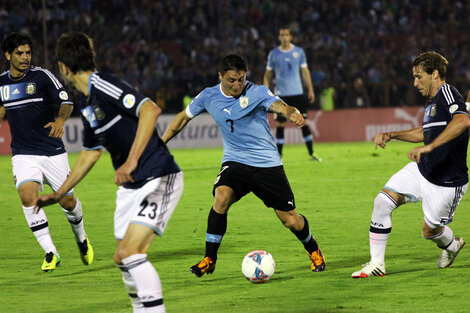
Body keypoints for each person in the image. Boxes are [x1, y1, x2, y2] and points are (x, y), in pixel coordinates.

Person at [36, 32, 183, 313]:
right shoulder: (87, 103)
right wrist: (59, 192)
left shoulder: (104, 85)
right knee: (121, 257)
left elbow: (150, 110)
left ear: (63, 67)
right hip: (131, 188)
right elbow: (90, 153)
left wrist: (131, 161)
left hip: (159, 177)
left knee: (131, 253)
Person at [162, 54, 325, 278]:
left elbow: (280, 106)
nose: (238, 85)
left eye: (241, 79)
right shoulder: (208, 96)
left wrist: (292, 113)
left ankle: (313, 249)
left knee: (290, 220)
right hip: (235, 161)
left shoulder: (257, 92)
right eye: (232, 80)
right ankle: (209, 258)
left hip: (266, 163)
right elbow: (182, 118)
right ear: (220, 76)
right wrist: (159, 144)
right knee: (221, 198)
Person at [352, 51, 469, 278]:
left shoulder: (448, 92)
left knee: (429, 231)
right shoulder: (432, 103)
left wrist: (429, 147)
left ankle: (452, 246)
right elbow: (423, 132)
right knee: (382, 202)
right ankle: (377, 264)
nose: (415, 83)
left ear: (434, 74)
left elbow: (463, 121)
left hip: (447, 181)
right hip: (423, 169)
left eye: (418, 76)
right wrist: (391, 134)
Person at [0, 32, 93, 272]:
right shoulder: (1, 83)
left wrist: (60, 122)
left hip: (51, 151)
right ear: (8, 55)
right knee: (27, 197)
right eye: (19, 53)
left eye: (28, 52)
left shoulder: (41, 77)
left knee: (68, 202)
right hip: (23, 153)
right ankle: (51, 252)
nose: (25, 57)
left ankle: (81, 239)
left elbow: (66, 102)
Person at [263, 26, 321, 161]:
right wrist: (266, 92)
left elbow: (305, 71)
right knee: (281, 125)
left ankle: (312, 153)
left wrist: (310, 89)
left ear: (290, 37)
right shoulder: (273, 54)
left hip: (297, 93)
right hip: (281, 95)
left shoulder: (299, 52)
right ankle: (279, 155)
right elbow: (267, 75)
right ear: (279, 37)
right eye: (282, 35)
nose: (284, 37)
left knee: (303, 122)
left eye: (286, 35)